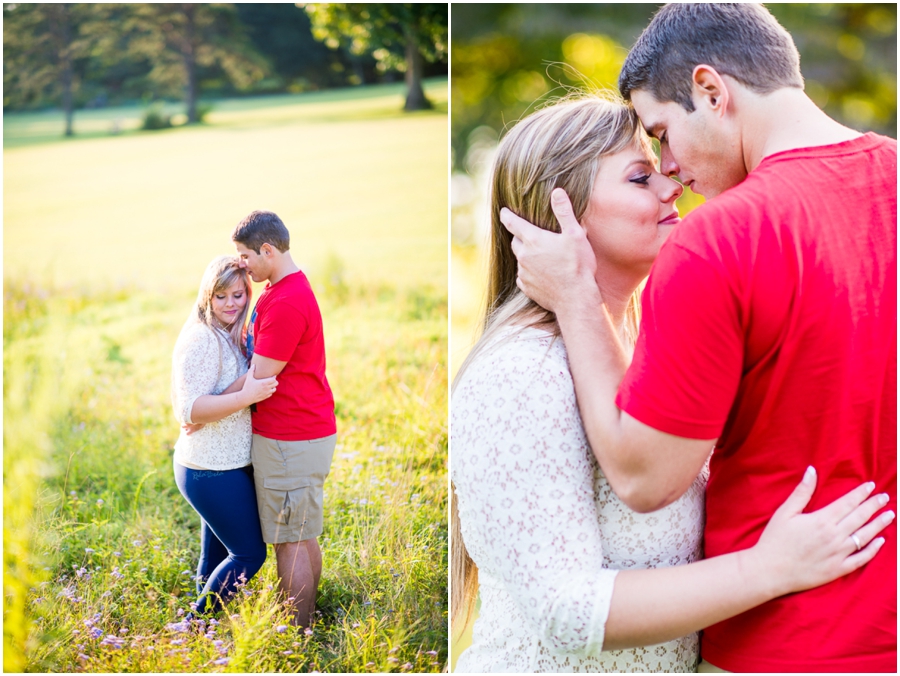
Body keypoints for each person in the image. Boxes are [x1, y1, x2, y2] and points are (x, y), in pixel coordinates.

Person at [501, 5, 896, 673]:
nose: (672, 169)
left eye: (663, 132)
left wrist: (573, 298)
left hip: (784, 644)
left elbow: (644, 477)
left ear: (712, 91)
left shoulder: (722, 239)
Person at [228, 210, 337, 628]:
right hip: (298, 433)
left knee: (287, 541)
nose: (242, 264)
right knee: (300, 533)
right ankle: (305, 623)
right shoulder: (280, 287)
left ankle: (297, 634)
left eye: (245, 256)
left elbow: (260, 377)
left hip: (291, 438)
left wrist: (204, 405)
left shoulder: (288, 300)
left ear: (268, 250)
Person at [171, 255, 278, 614]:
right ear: (207, 297)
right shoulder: (202, 338)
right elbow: (191, 410)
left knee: (215, 553)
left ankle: (202, 639)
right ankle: (195, 623)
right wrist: (247, 396)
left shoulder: (226, 332)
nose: (231, 304)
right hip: (209, 469)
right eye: (221, 297)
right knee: (249, 554)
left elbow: (217, 393)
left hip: (224, 463)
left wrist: (243, 388)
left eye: (238, 294)